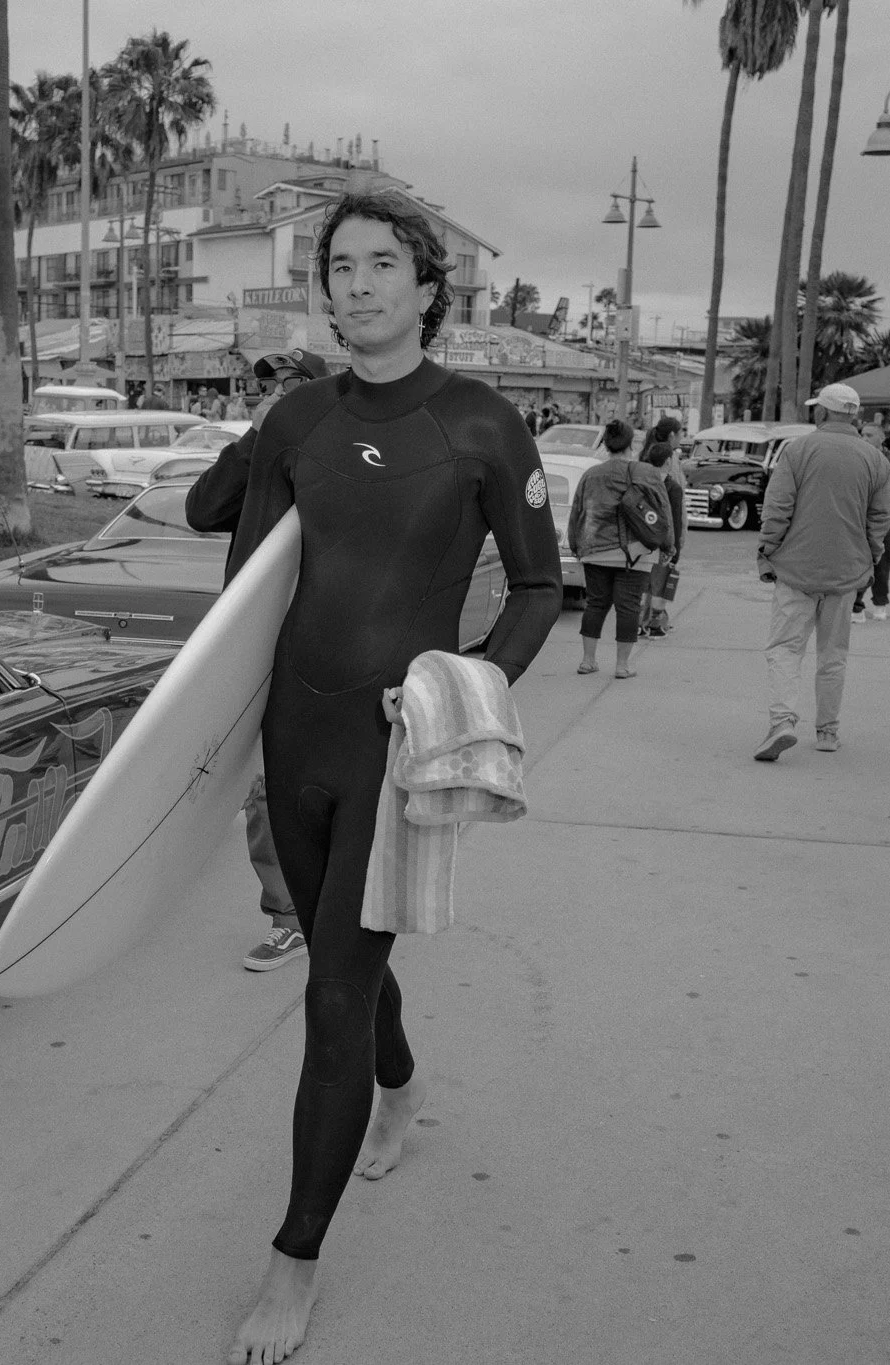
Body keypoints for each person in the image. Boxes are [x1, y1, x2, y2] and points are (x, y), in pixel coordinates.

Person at [220, 190, 561, 1365]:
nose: (354, 284)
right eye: (338, 266)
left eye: (381, 265)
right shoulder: (296, 416)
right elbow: (240, 587)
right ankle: (401, 1085)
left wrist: (464, 685)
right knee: (335, 957)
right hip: (290, 734)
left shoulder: (477, 423)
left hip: (387, 746)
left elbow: (537, 588)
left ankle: (291, 1262)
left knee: (330, 997)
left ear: (427, 289)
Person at [185, 349, 331, 975]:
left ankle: (347, 902)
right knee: (267, 791)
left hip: (330, 643)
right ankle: (291, 917)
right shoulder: (259, 452)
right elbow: (201, 510)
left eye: (283, 387)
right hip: (258, 645)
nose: (261, 395)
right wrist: (257, 436)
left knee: (338, 784)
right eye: (256, 388)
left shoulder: (340, 451)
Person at [753, 384, 890, 760]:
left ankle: (782, 721)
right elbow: (881, 517)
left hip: (795, 569)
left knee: (785, 649)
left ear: (821, 413)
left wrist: (767, 550)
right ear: (855, 416)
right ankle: (827, 732)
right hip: (846, 572)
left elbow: (777, 507)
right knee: (833, 655)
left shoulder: (798, 451)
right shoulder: (874, 458)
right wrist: (869, 556)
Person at [568, 419, 673, 676]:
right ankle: (622, 666)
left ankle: (588, 661)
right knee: (629, 607)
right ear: (631, 443)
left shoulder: (590, 475)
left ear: (606, 444)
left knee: (596, 605)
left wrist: (575, 545)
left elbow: (577, 513)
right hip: (635, 553)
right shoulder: (646, 473)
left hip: (595, 551)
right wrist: (668, 547)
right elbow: (663, 511)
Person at [849, 429, 890, 623]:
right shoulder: (856, 456)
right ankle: (856, 605)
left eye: (870, 435)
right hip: (858, 520)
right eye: (863, 434)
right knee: (859, 564)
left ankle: (880, 603)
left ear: (882, 438)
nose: (865, 438)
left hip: (884, 522)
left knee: (881, 564)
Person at [641, 440, 687, 636]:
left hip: (642, 542)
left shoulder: (641, 482)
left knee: (644, 584)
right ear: (668, 461)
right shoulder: (672, 488)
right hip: (663, 544)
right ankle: (655, 625)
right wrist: (675, 549)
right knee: (660, 585)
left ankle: (638, 623)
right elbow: (675, 521)